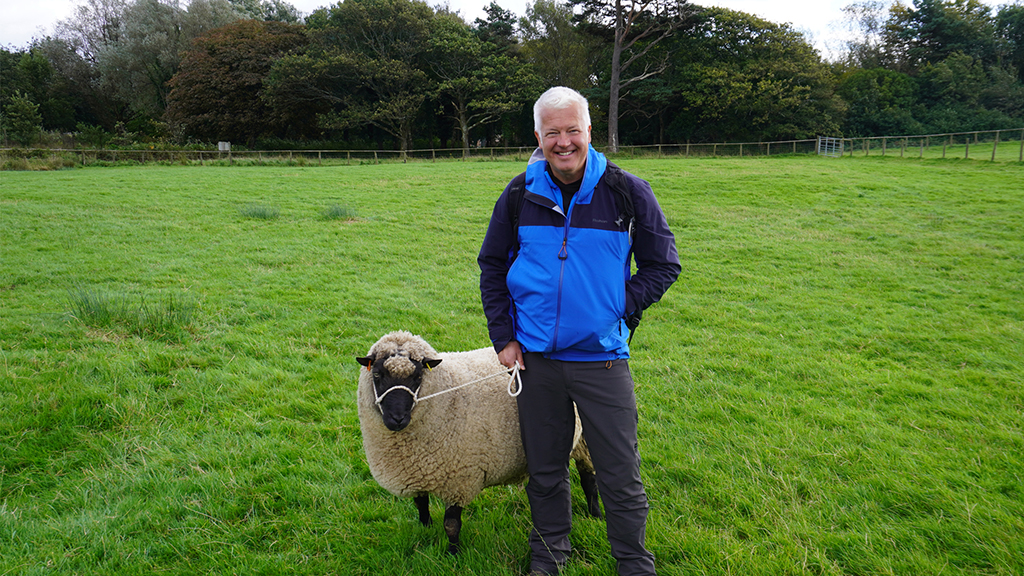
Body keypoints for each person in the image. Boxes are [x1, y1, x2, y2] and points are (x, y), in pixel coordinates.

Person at [478, 86, 680, 576]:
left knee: (619, 472)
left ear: (589, 130)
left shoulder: (628, 191)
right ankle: (548, 559)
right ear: (538, 135)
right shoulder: (518, 194)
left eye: (573, 130)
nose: (563, 141)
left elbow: (663, 264)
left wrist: (617, 310)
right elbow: (491, 265)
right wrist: (504, 338)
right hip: (536, 362)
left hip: (602, 360)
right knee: (545, 472)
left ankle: (633, 563)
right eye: (553, 132)